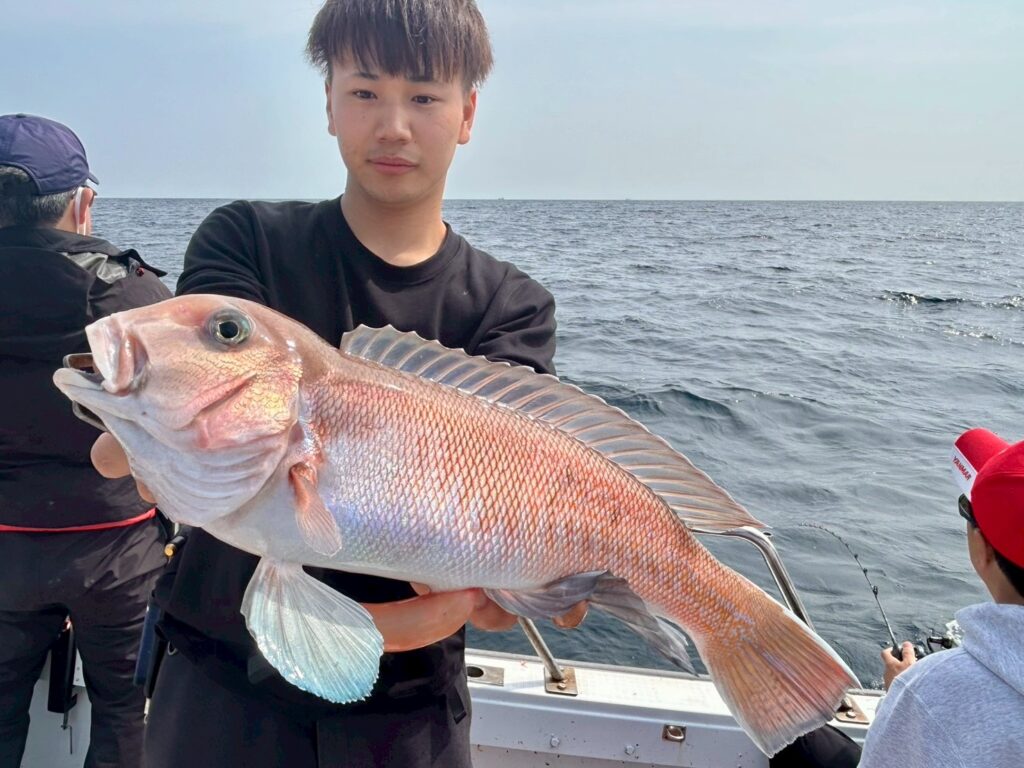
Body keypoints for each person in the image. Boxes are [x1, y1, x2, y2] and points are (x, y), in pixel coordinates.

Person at [92, 1, 558, 765]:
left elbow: (488, 558)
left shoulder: (510, 307)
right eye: (365, 92)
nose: (393, 126)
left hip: (407, 716)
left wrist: (362, 632)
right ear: (330, 104)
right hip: (217, 687)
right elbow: (183, 426)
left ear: (467, 114)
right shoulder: (245, 241)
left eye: (424, 96)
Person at [0, 114, 172, 767]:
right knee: (125, 710)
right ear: (82, 202)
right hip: (116, 549)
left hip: (5, 549)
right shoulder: (131, 292)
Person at [858, 427, 1024, 767]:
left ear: (983, 547)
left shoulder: (928, 692)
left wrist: (902, 695)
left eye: (968, 509)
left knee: (804, 743)